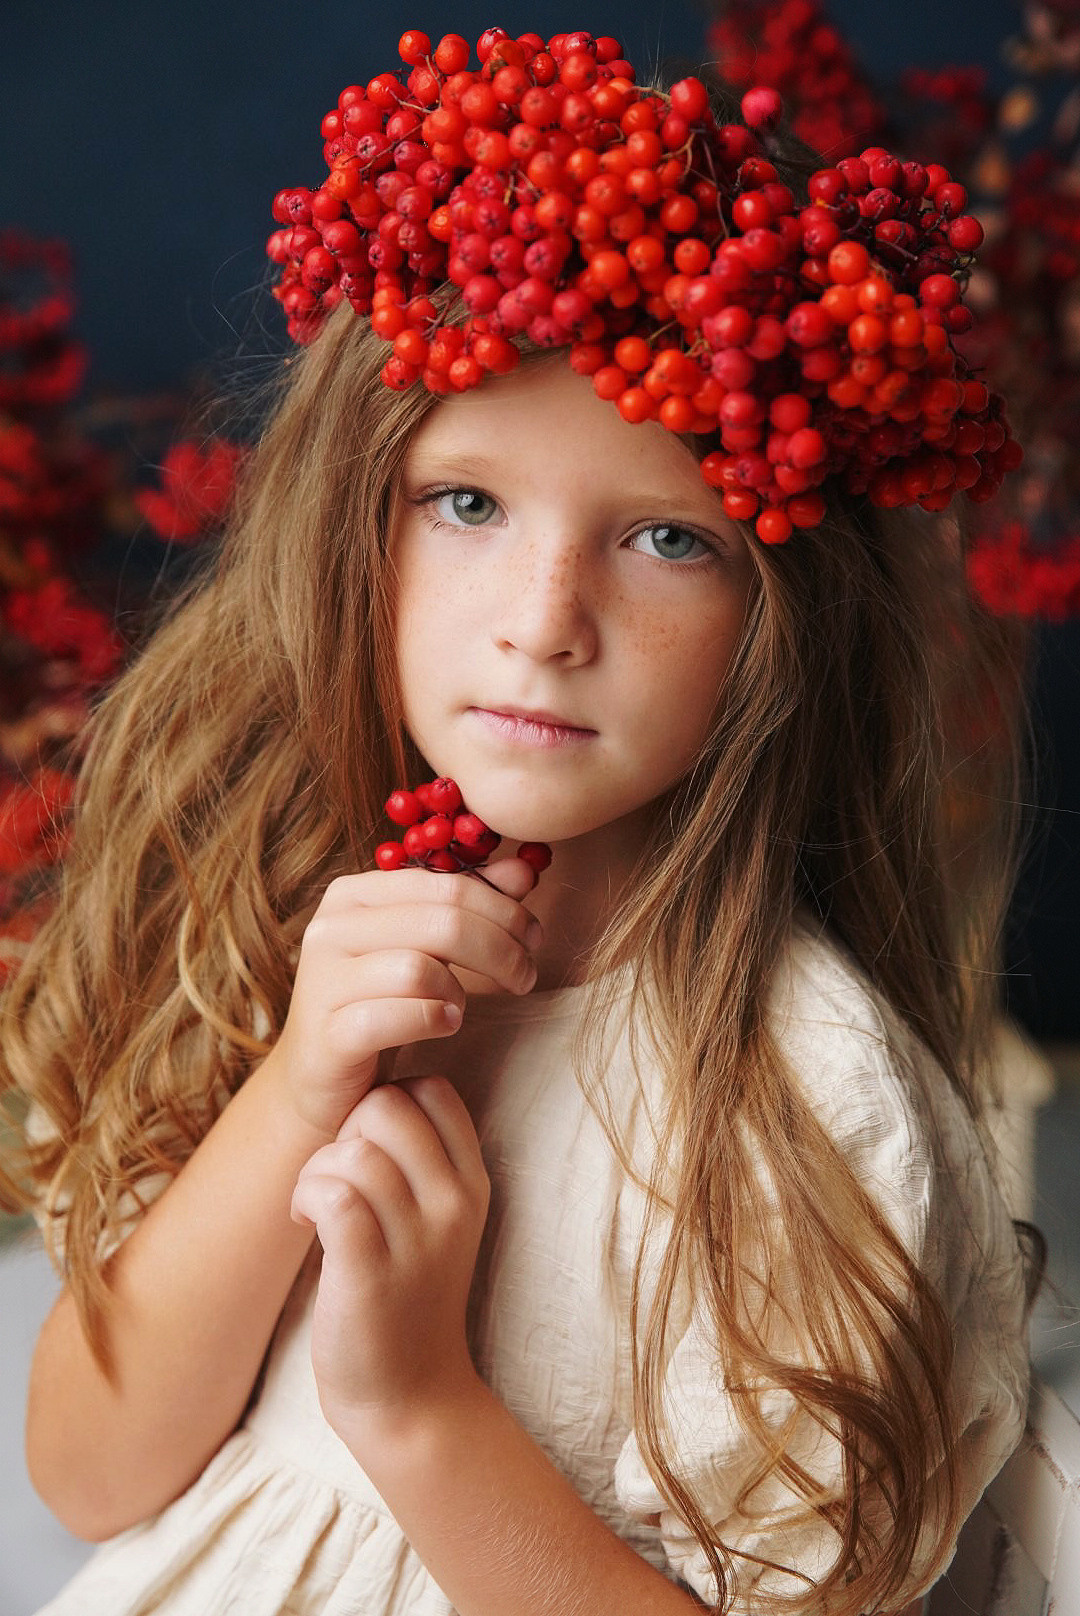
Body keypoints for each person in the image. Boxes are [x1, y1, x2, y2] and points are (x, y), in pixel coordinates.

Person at [0, 24, 1042, 1616]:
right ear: (359, 523)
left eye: (667, 539)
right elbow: (86, 1472)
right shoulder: (274, 926)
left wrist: (419, 1413)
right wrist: (290, 1094)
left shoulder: (805, 1106)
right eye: (468, 504)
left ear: (784, 613)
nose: (545, 622)